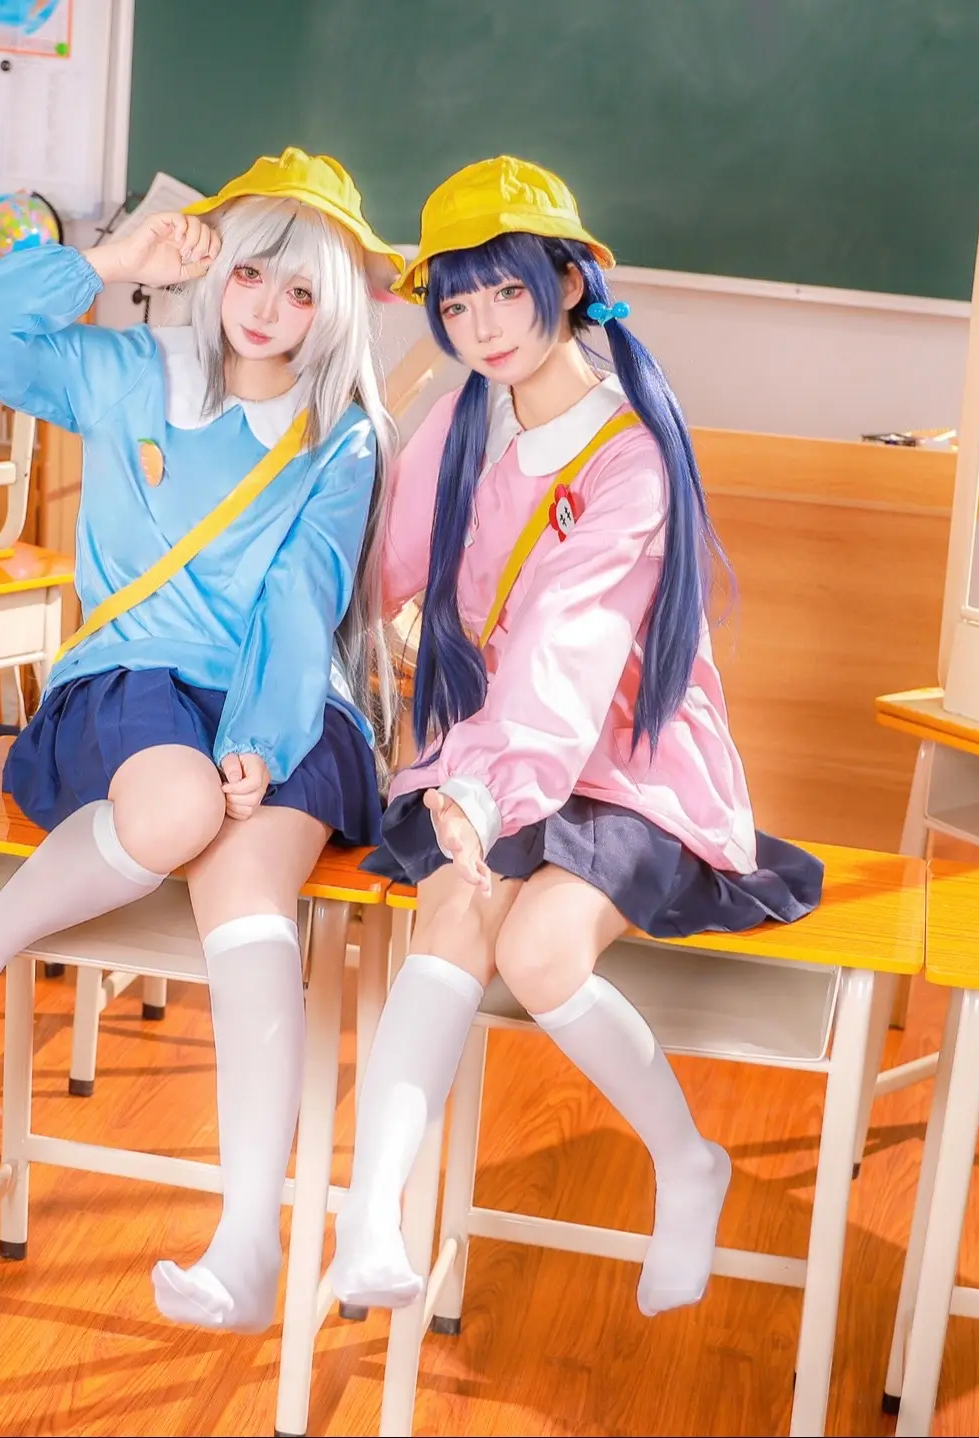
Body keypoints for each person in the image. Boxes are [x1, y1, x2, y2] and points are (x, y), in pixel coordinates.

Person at [0, 149, 401, 1333]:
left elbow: (303, 594)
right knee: (177, 810)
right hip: (129, 679)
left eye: (302, 292)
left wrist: (264, 738)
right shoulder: (133, 369)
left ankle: (247, 1244)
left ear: (333, 310)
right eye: (254, 274)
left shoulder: (338, 435)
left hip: (286, 698)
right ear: (216, 265)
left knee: (245, 885)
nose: (267, 310)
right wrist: (112, 260)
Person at [331, 157, 824, 1319]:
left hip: (625, 765)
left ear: (566, 281)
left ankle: (687, 1162)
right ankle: (369, 1219)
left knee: (542, 949)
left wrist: (484, 794)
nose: (482, 327)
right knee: (452, 915)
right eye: (455, 304)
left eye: (506, 292)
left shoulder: (630, 457)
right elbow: (375, 571)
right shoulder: (460, 418)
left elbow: (567, 647)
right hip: (501, 755)